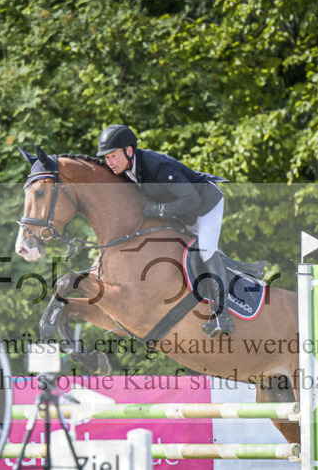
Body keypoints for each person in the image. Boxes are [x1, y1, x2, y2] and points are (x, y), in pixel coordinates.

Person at [96, 124, 234, 338]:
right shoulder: (125, 170)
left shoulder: (158, 167)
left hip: (205, 205)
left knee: (206, 250)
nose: (110, 163)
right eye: (106, 157)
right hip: (180, 212)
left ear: (129, 151)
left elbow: (191, 199)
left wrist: (158, 210)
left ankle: (223, 315)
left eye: (113, 156)